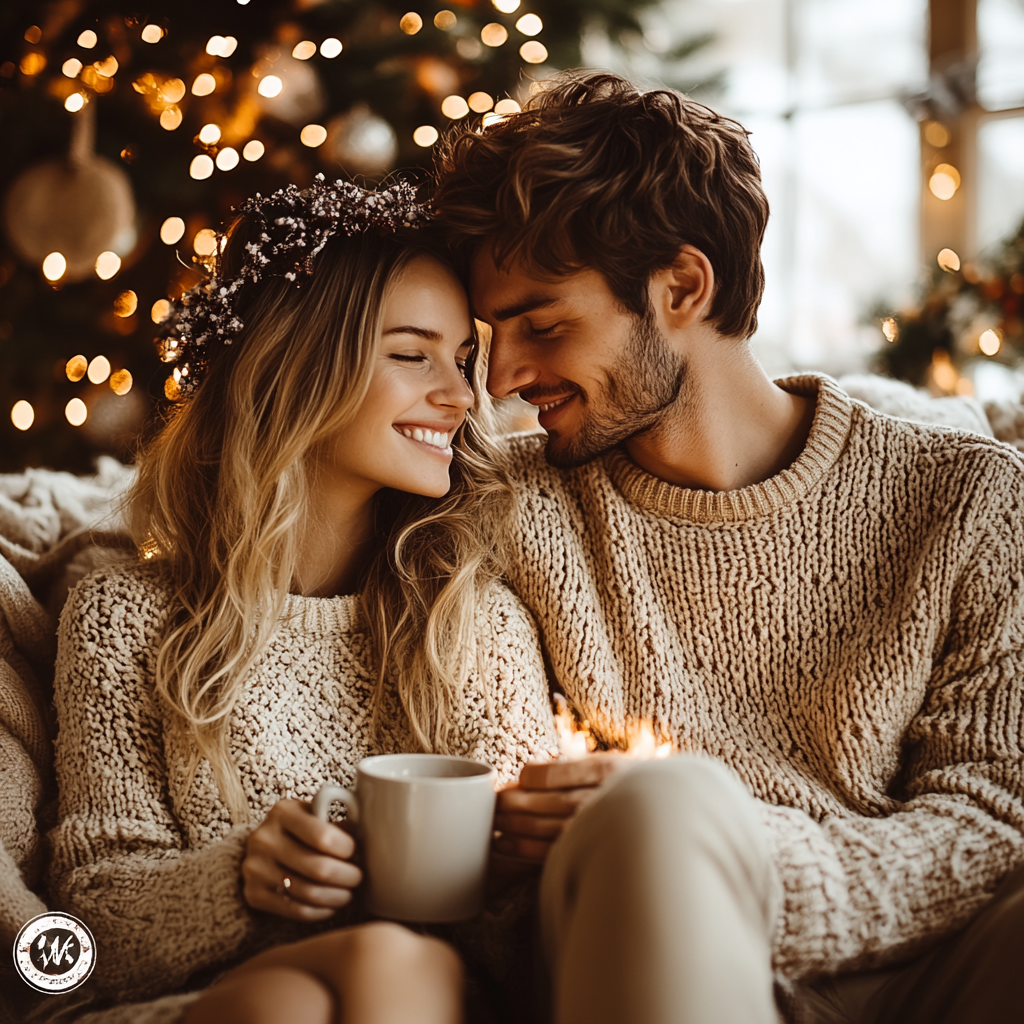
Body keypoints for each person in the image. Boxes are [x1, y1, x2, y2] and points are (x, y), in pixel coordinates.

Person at [431, 71, 1024, 1024]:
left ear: (682, 286)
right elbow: (493, 832)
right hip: (645, 955)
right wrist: (658, 846)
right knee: (654, 818)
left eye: (541, 325)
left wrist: (743, 857)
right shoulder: (505, 513)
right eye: (487, 336)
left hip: (931, 969)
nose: (499, 379)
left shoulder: (970, 499)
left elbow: (994, 819)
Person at [48, 177, 558, 1024]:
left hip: (429, 996)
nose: (463, 395)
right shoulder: (121, 614)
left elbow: (522, 933)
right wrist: (238, 877)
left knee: (384, 963)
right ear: (298, 363)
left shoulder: (472, 617)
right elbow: (89, 927)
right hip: (208, 1003)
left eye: (463, 358)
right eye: (411, 354)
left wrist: (507, 857)